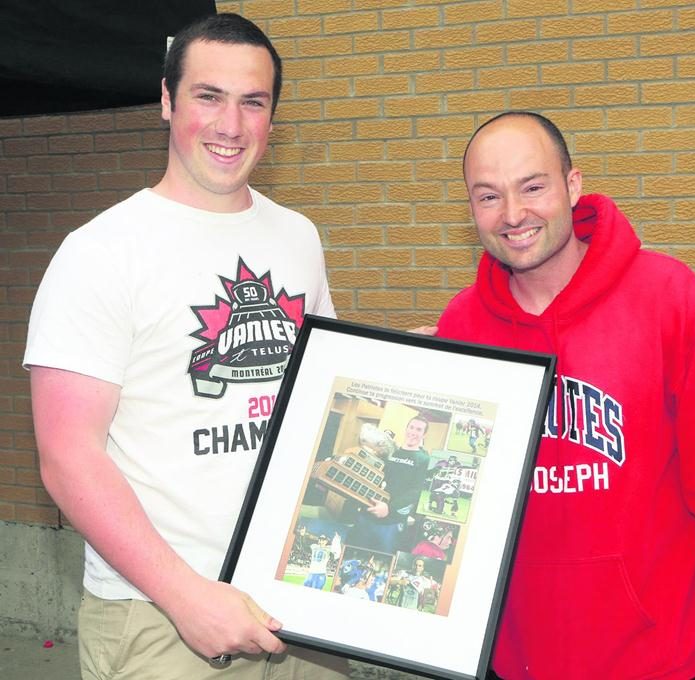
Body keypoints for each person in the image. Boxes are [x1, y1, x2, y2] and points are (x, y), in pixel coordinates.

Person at [24, 13, 349, 680]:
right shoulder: (100, 252)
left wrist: (411, 372)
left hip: (300, 599)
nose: (231, 125)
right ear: (168, 101)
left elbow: (322, 390)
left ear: (272, 116)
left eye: (252, 102)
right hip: (161, 617)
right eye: (209, 96)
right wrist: (184, 596)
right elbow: (67, 457)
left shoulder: (298, 236)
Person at [435, 111, 695, 679]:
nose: (513, 214)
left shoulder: (667, 298)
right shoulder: (462, 325)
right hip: (511, 664)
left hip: (656, 662)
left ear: (572, 184)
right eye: (488, 196)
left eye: (532, 187)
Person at [346, 416, 431, 554]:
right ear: (406, 429)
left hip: (391, 522)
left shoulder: (424, 460)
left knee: (382, 560)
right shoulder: (391, 452)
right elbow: (375, 476)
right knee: (352, 554)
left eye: (419, 429)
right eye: (411, 427)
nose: (413, 432)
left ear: (424, 434)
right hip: (368, 514)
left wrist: (389, 508)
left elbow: (417, 491)